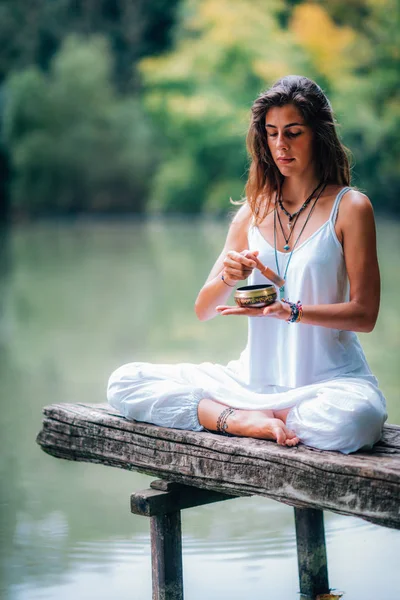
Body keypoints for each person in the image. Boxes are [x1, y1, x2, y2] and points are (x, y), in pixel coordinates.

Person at [107, 75, 388, 454]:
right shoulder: (252, 214)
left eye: (293, 132)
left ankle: (259, 416)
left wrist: (290, 311)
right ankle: (239, 420)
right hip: (253, 380)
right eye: (271, 133)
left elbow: (365, 314)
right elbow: (204, 310)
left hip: (329, 383)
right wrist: (229, 274)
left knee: (359, 420)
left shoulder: (351, 208)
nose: (280, 145)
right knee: (124, 382)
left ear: (318, 135)